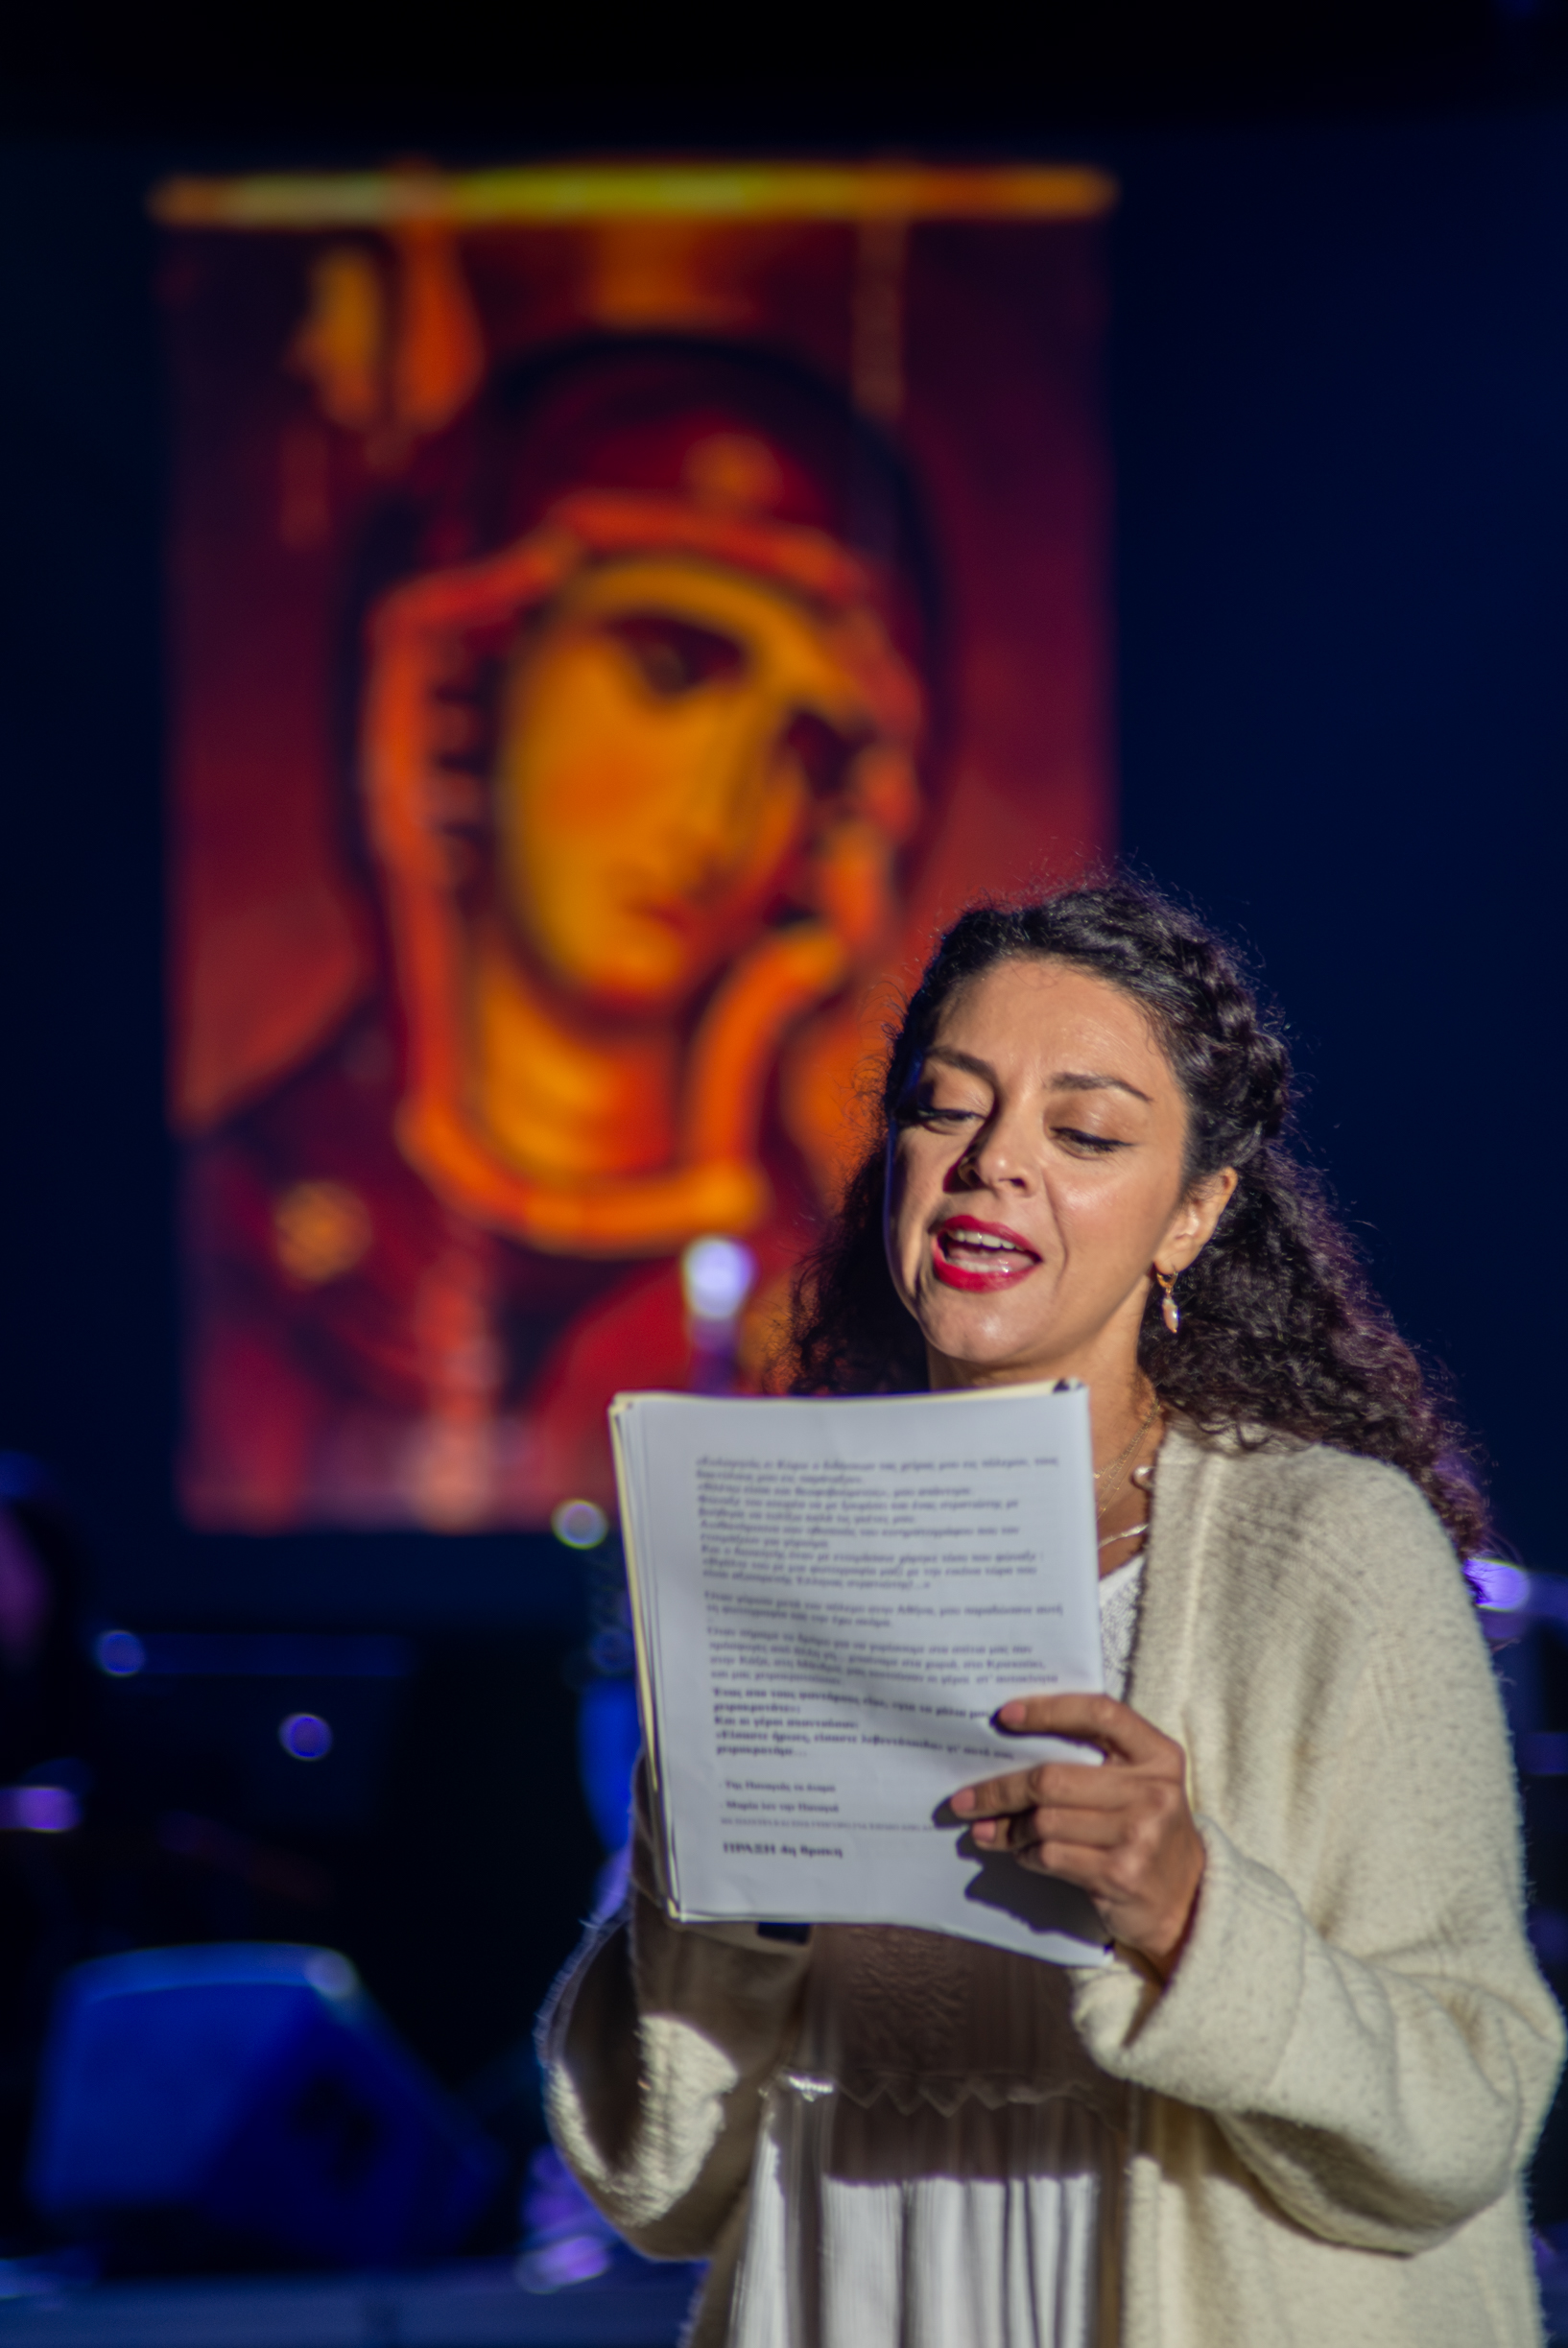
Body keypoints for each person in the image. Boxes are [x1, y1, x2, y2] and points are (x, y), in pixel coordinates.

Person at [538, 881, 1565, 2346]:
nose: (991, 1163)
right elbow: (653, 2182)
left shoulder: (1327, 1545)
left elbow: (1472, 2109)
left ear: (1192, 1213)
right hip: (859, 2284)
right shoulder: (781, 1543)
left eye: (1081, 1132)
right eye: (945, 1108)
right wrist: (709, 1866)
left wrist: (1192, 1912)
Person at [183, 340, 930, 1530]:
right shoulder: (228, 1238)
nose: (721, 820)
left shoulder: (843, 1315)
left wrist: (742, 1064)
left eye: (804, 750)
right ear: (463, 680)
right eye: (669, 668)